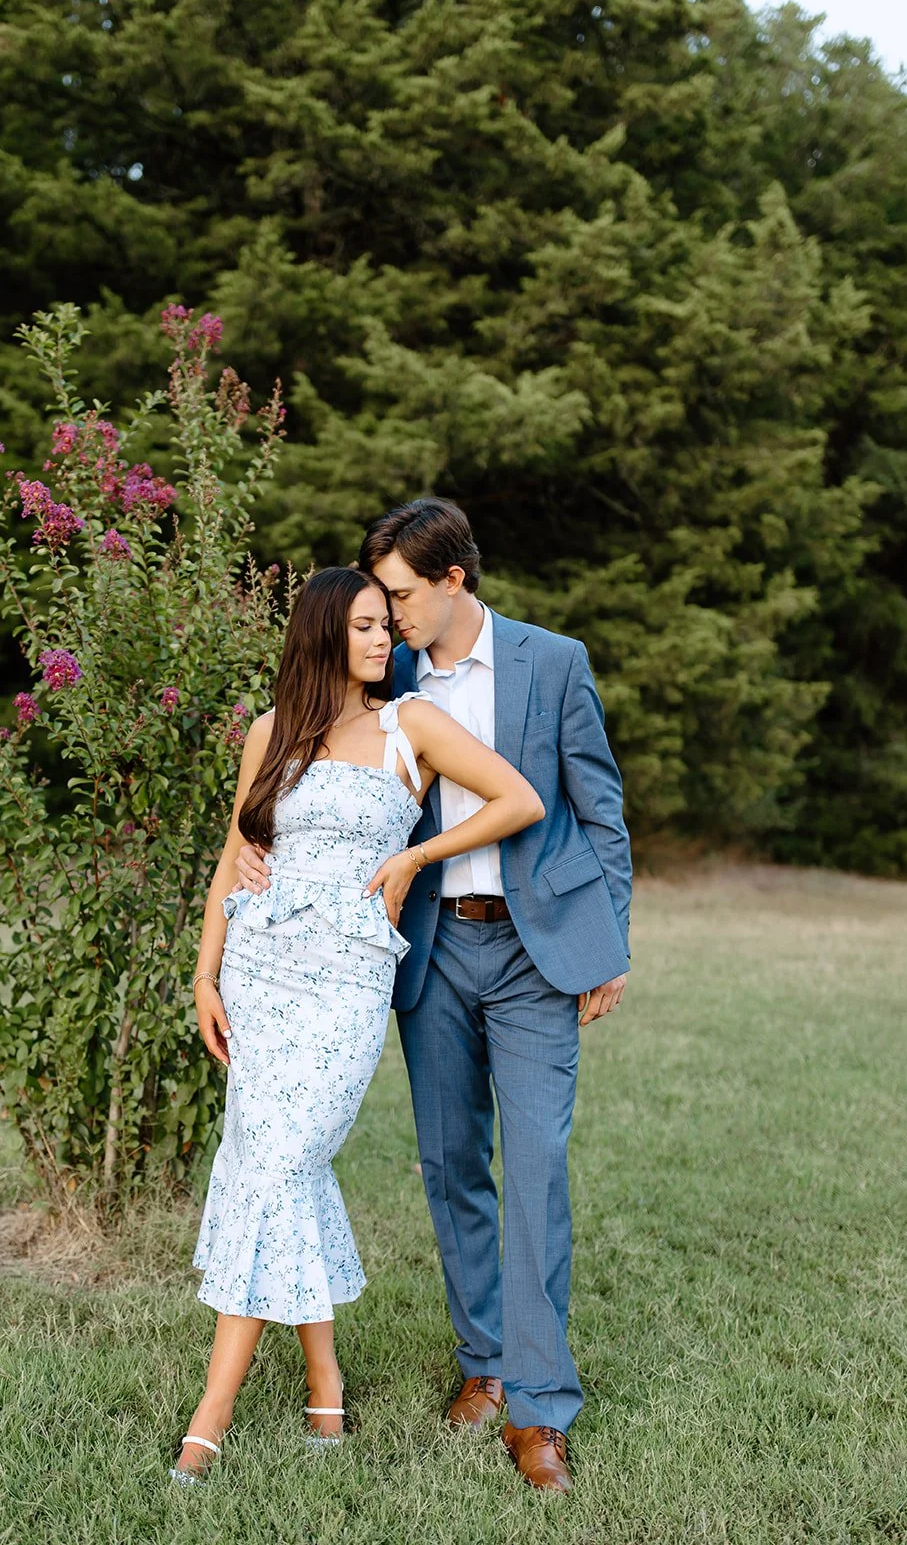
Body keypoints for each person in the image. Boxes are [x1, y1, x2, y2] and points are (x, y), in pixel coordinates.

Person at [235, 500, 631, 1494]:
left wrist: (604, 942)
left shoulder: (552, 662)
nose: (388, 613)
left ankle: (540, 1410)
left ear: (455, 580)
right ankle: (484, 1364)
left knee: (535, 1163)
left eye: (402, 594)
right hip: (426, 954)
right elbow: (310, 772)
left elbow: (599, 808)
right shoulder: (392, 674)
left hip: (537, 950)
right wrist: (252, 849)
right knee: (450, 1161)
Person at [171, 565, 545, 1485]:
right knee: (272, 1164)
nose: (387, 642)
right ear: (323, 634)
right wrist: (205, 970)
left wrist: (417, 853)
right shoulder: (273, 733)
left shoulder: (406, 725)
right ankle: (324, 1378)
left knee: (285, 1160)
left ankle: (211, 1409)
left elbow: (517, 799)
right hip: (260, 975)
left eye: (389, 625)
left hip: (345, 982)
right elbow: (237, 854)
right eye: (368, 628)